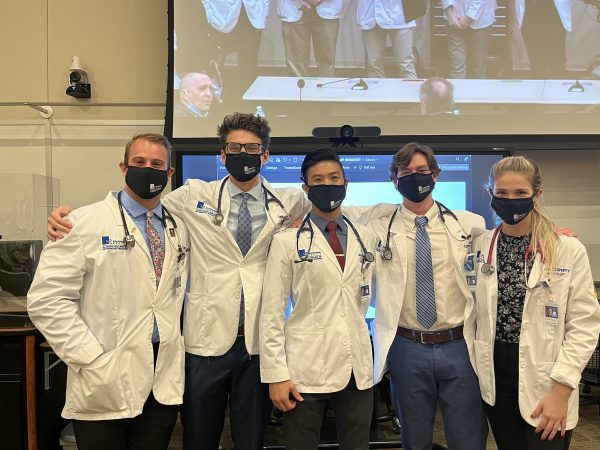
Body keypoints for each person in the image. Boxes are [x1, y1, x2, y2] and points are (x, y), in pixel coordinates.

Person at [27, 133, 190, 450]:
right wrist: (90, 357)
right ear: (123, 167)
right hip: (104, 372)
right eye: (139, 162)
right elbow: (46, 300)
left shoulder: (178, 227)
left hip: (162, 375)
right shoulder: (82, 223)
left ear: (170, 173)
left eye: (157, 164)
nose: (148, 169)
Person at [466, 155, 600, 450]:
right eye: (502, 193)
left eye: (520, 193)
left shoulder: (567, 249)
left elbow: (584, 325)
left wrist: (561, 390)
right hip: (496, 374)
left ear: (536, 195)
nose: (510, 200)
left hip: (548, 376)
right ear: (490, 193)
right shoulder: (480, 246)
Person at [369, 142, 489, 450]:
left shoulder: (469, 225)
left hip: (459, 345)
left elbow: (504, 242)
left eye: (422, 171)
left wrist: (550, 232)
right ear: (394, 180)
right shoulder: (378, 227)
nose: (415, 177)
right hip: (407, 346)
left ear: (435, 175)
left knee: (468, 437)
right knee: (414, 438)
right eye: (406, 172)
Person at [260, 148, 377, 449]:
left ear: (346, 183)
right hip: (304, 368)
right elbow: (271, 312)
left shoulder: (366, 237)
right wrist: (276, 375)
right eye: (318, 180)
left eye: (334, 178)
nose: (328, 185)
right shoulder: (287, 241)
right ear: (306, 188)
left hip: (356, 368)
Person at [356, 0, 418, 78]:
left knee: (406, 64)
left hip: (399, 15)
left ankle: (409, 86)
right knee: (374, 66)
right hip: (370, 14)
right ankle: (377, 86)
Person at [278, 0, 341, 77]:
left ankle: (326, 84)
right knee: (296, 63)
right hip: (293, 6)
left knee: (327, 62)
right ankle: (299, 84)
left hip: (328, 6)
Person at [516, 0, 573, 78]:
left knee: (556, 61)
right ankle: (538, 81)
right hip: (530, 10)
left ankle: (556, 80)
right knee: (536, 61)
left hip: (552, 11)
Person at [441, 0, 497, 79]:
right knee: (457, 66)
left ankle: (478, 87)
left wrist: (469, 17)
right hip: (454, 19)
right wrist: (450, 14)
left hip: (482, 18)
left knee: (478, 67)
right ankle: (459, 87)